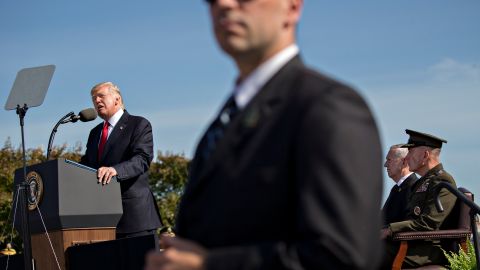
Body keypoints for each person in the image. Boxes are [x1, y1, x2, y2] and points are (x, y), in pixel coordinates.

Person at [145, 0, 383, 269]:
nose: (223, 4)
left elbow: (343, 257)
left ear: (292, 8)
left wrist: (208, 265)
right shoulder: (224, 121)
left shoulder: (326, 106)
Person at [80, 82, 162, 240]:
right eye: (93, 99)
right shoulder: (95, 133)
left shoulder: (138, 124)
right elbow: (86, 165)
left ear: (117, 99)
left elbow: (142, 159)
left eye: (101, 96)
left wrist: (115, 170)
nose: (96, 101)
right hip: (103, 220)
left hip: (135, 218)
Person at [380, 129, 457, 269]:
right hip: (409, 244)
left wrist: (389, 230)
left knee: (362, 252)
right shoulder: (422, 182)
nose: (407, 158)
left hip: (424, 250)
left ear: (425, 155)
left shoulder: (442, 181)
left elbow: (428, 224)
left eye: (411, 152)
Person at [382, 144, 418, 225]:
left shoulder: (414, 188)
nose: (385, 165)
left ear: (404, 162)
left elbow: (410, 223)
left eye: (389, 160)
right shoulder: (397, 188)